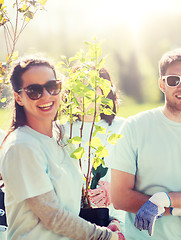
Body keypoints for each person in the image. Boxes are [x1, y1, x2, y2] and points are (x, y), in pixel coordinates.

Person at [0, 58, 124, 239]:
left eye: (52, 86)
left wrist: (110, 220)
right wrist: (105, 236)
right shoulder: (22, 146)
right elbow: (53, 216)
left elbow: (71, 203)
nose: (46, 96)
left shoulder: (61, 137)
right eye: (34, 90)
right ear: (18, 97)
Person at [110, 46, 181, 239]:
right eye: (173, 80)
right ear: (162, 84)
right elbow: (119, 197)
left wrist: (163, 201)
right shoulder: (134, 127)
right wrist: (180, 209)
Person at [63, 66, 126, 229]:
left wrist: (116, 191)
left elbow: (144, 176)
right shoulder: (59, 130)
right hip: (71, 222)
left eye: (92, 85)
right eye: (79, 86)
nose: (86, 92)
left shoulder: (124, 128)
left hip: (118, 221)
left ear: (105, 91)